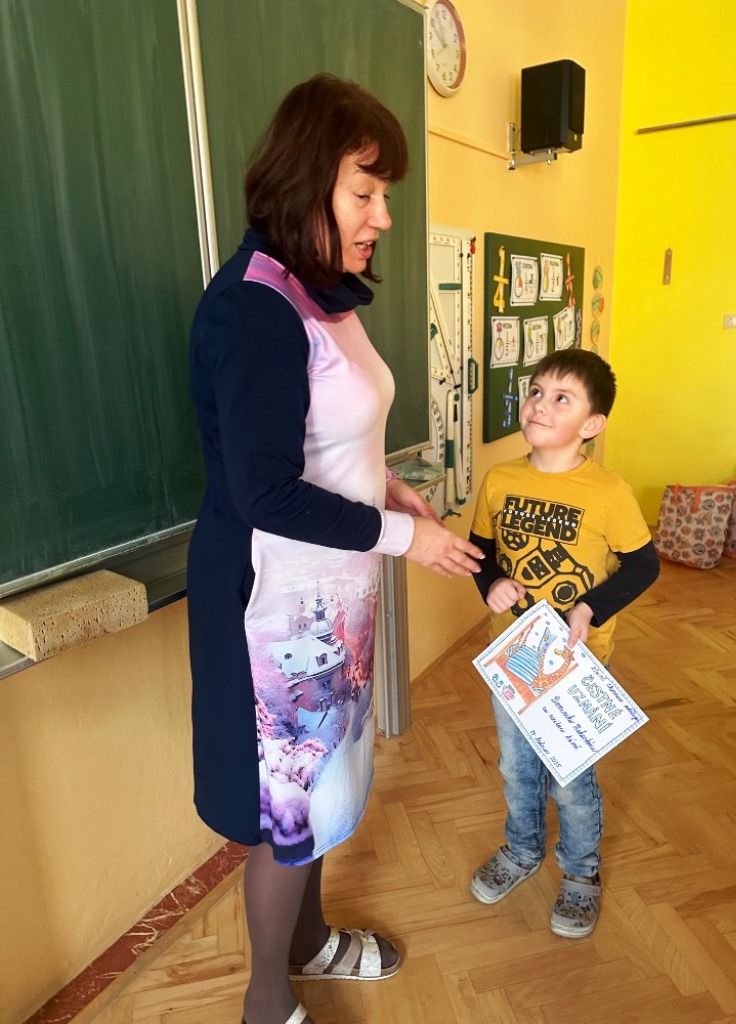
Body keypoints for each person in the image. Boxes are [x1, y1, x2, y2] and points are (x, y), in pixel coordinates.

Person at [186, 74, 482, 1024]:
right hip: (274, 605)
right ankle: (266, 1001)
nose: (383, 217)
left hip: (334, 593)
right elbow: (265, 490)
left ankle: (310, 942)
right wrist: (407, 535)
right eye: (365, 192)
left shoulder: (320, 295)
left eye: (384, 194)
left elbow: (328, 438)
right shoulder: (252, 310)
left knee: (324, 786)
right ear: (307, 181)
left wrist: (387, 485)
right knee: (290, 805)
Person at [468, 348, 659, 938]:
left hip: (578, 663)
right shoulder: (500, 479)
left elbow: (643, 565)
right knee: (515, 767)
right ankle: (522, 849)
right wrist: (491, 583)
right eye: (535, 391)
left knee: (571, 780)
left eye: (561, 398)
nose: (540, 405)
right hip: (513, 658)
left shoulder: (609, 491)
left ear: (591, 424)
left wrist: (590, 607)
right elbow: (482, 553)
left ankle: (580, 871)